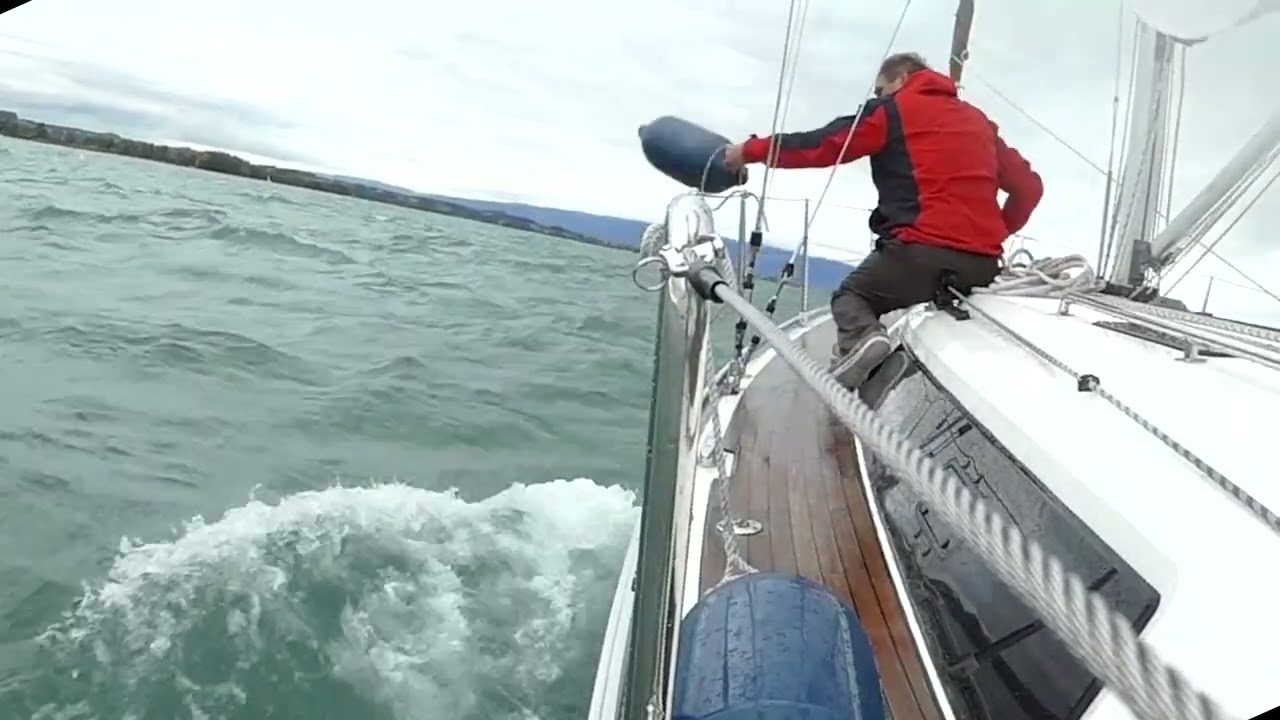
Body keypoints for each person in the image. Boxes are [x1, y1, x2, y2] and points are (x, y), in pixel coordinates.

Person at [723, 52, 1043, 389]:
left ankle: (863, 339)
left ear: (901, 78)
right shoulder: (979, 122)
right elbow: (1030, 188)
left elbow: (822, 145)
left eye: (879, 90)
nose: (876, 98)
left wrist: (750, 151)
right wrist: (992, 235)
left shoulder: (893, 111)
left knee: (852, 297)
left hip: (917, 255)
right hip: (982, 267)